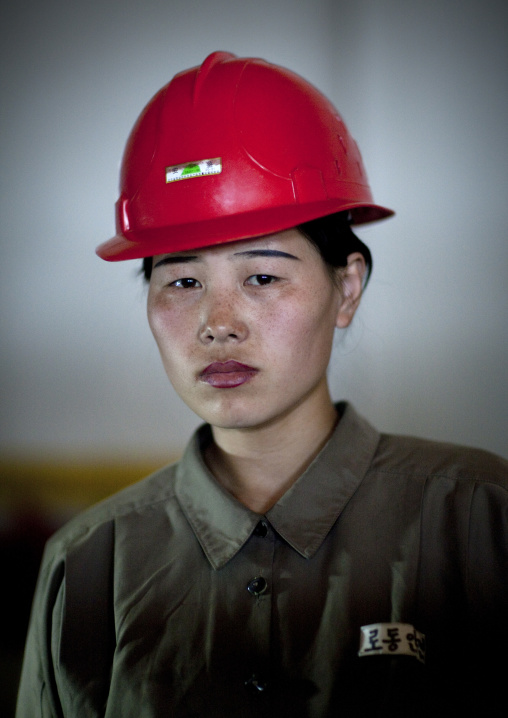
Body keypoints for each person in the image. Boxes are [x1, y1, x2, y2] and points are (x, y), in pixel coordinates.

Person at [16, 51, 507, 718]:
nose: (218, 325)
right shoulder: (89, 566)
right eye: (183, 282)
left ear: (347, 287)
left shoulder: (480, 520)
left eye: (263, 277)